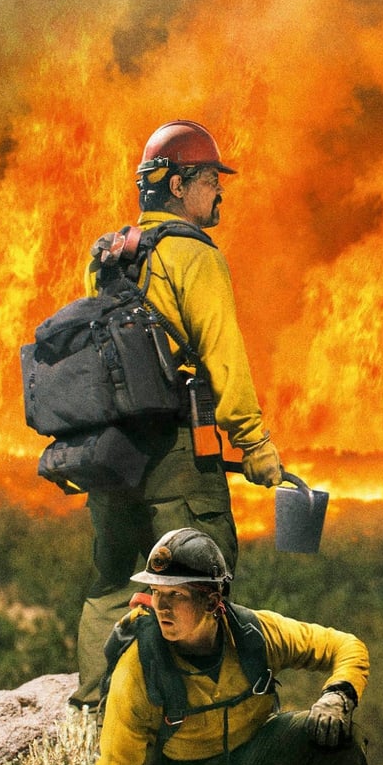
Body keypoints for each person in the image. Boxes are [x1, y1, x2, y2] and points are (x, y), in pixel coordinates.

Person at [69, 120, 286, 707]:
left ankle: (95, 713)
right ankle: (193, 714)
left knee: (113, 584)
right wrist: (257, 446)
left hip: (112, 454)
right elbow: (223, 356)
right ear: (180, 184)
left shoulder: (107, 258)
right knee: (198, 579)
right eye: (211, 179)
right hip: (176, 455)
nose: (219, 192)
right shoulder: (195, 257)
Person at [76, 528, 378, 765]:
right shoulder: (140, 668)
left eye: (177, 596)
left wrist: (337, 695)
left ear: (213, 602)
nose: (161, 607)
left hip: (256, 750)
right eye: (157, 593)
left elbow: (346, 645)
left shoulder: (253, 634)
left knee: (339, 738)